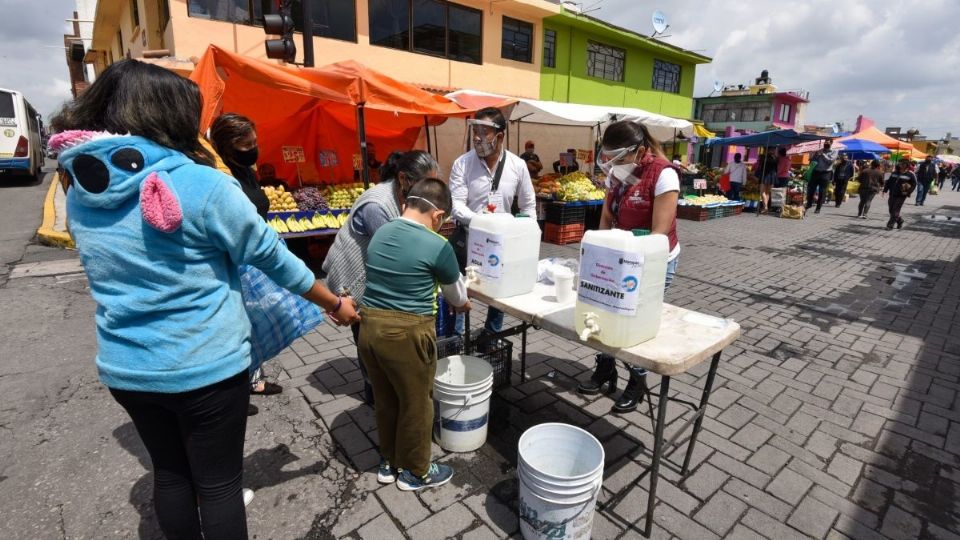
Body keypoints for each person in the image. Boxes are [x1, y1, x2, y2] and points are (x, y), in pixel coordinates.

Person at [48, 59, 358, 540]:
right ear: (169, 117)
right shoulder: (200, 183)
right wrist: (333, 303)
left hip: (127, 367)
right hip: (204, 368)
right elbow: (273, 257)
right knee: (218, 487)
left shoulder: (80, 188)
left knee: (170, 476)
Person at [359, 178, 470, 491]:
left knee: (386, 398)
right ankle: (416, 472)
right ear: (438, 216)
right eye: (443, 221)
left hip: (369, 329)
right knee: (417, 403)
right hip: (406, 334)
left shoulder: (381, 232)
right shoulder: (438, 245)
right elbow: (458, 298)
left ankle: (389, 461)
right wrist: (462, 302)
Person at [576, 120, 681, 413]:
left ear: (641, 151)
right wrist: (597, 254)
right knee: (602, 312)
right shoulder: (617, 176)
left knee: (633, 321)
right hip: (619, 257)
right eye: (608, 157)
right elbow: (607, 219)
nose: (612, 164)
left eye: (618, 157)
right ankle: (606, 367)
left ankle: (638, 379)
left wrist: (628, 260)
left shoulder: (664, 175)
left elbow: (659, 236)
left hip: (654, 261)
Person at [323, 150, 440, 405]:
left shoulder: (404, 197)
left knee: (376, 338)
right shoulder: (376, 205)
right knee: (366, 336)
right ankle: (375, 396)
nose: (429, 193)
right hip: (353, 278)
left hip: (373, 275)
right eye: (425, 185)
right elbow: (395, 253)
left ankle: (381, 391)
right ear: (403, 178)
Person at [209, 113, 287, 405]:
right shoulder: (219, 175)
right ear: (226, 146)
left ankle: (253, 381)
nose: (254, 148)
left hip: (252, 257)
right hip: (232, 259)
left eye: (255, 142)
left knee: (251, 320)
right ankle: (231, 392)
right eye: (246, 144)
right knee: (234, 325)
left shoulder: (245, 170)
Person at [449, 107, 536, 338]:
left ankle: (491, 336)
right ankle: (457, 338)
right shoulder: (463, 164)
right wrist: (481, 222)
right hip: (468, 239)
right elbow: (456, 205)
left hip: (502, 244)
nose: (477, 137)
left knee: (498, 292)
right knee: (461, 290)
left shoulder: (518, 166)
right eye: (475, 131)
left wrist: (525, 236)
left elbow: (528, 207)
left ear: (500, 136)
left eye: (484, 132)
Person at [883, 160, 917, 230]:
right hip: (892, 193)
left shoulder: (910, 174)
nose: (901, 165)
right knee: (891, 210)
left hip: (901, 195)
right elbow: (889, 182)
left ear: (906, 165)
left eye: (903, 164)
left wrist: (908, 192)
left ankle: (890, 225)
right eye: (900, 163)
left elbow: (914, 184)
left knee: (895, 210)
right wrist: (885, 190)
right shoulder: (894, 173)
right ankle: (900, 220)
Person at [807, 140, 837, 214]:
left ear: (831, 143)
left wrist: (822, 155)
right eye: (825, 142)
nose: (826, 143)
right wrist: (815, 155)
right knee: (811, 189)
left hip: (826, 173)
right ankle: (809, 203)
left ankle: (818, 208)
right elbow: (812, 160)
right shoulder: (819, 150)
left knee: (822, 191)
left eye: (828, 142)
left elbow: (830, 161)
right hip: (816, 172)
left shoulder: (834, 151)